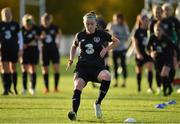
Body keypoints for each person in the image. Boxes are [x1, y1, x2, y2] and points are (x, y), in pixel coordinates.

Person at [66, 12, 119, 121]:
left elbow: (116, 42)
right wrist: (71, 59)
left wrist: (106, 49)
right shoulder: (79, 35)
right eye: (87, 24)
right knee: (78, 85)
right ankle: (73, 113)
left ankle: (97, 103)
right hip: (82, 68)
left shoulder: (102, 34)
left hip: (97, 68)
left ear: (96, 23)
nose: (89, 26)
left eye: (92, 24)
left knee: (107, 76)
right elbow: (73, 46)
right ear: (84, 23)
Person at [147, 21, 177, 96]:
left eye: (159, 30)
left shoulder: (167, 39)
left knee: (164, 73)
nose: (157, 31)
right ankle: (169, 88)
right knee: (162, 75)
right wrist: (151, 53)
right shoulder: (152, 37)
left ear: (163, 31)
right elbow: (147, 48)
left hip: (168, 58)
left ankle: (165, 91)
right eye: (156, 30)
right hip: (158, 59)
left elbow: (175, 48)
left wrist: (176, 58)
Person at [0, 7, 23, 95]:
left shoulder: (15, 24)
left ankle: (14, 88)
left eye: (8, 13)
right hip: (4, 49)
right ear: (2, 15)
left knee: (13, 68)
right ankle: (6, 89)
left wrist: (20, 49)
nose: (7, 15)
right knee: (5, 68)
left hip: (14, 49)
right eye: (5, 13)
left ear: (11, 14)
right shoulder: (1, 24)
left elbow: (20, 37)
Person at [107, 12, 129, 87]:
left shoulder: (124, 26)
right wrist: (112, 36)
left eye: (119, 18)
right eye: (116, 18)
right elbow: (107, 35)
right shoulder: (111, 25)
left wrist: (118, 37)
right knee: (114, 66)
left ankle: (124, 82)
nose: (117, 20)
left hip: (122, 48)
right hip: (113, 49)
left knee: (123, 65)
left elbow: (127, 37)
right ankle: (116, 82)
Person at [40, 13, 61, 93]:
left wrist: (58, 42)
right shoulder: (40, 28)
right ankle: (47, 88)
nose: (46, 22)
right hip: (44, 50)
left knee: (56, 68)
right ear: (42, 20)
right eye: (44, 20)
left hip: (54, 50)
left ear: (50, 20)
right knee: (45, 70)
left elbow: (59, 33)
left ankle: (56, 87)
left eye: (47, 20)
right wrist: (41, 37)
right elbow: (37, 36)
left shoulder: (54, 27)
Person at [132, 14, 154, 93]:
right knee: (139, 71)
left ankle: (150, 88)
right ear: (141, 21)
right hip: (140, 53)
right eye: (146, 21)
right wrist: (138, 53)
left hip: (148, 54)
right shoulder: (137, 31)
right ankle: (139, 88)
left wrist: (151, 51)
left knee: (150, 68)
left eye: (148, 21)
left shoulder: (150, 31)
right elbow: (135, 44)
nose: (147, 22)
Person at [21, 14, 40, 95]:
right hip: (24, 51)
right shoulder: (21, 29)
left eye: (30, 21)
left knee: (33, 68)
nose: (28, 23)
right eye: (27, 21)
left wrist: (36, 38)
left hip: (33, 50)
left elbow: (40, 36)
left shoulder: (36, 28)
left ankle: (32, 87)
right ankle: (24, 88)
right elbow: (20, 39)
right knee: (24, 68)